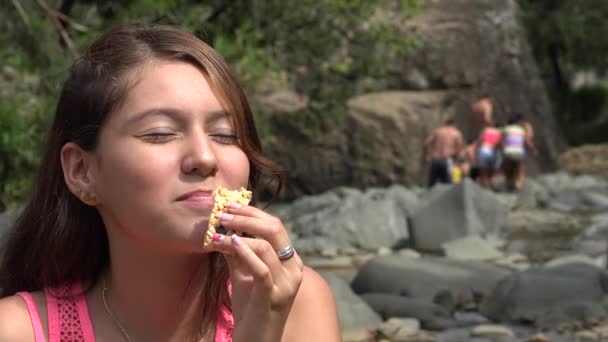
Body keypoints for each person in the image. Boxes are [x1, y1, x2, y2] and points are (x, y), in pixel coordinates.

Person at [0, 24, 341, 342]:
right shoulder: (18, 330)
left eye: (225, 135)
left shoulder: (294, 304)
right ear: (81, 171)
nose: (205, 158)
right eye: (160, 133)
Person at [423, 119, 464, 187]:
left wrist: (426, 157)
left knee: (431, 186)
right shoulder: (456, 133)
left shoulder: (438, 131)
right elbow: (459, 150)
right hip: (447, 160)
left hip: (434, 160)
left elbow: (426, 143)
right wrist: (458, 163)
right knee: (448, 186)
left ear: (445, 124)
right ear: (454, 125)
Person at [501, 113, 537, 191]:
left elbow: (502, 142)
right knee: (519, 169)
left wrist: (503, 151)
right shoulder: (521, 130)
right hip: (519, 153)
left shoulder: (506, 129)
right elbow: (527, 141)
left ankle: (509, 184)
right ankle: (518, 185)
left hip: (508, 152)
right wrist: (533, 150)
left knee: (508, 169)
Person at [475, 122, 502, 191]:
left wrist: (476, 154)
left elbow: (478, 142)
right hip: (495, 152)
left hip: (484, 150)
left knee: (483, 174)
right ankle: (492, 188)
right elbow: (501, 144)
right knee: (492, 175)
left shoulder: (486, 130)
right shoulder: (500, 132)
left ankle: (484, 189)